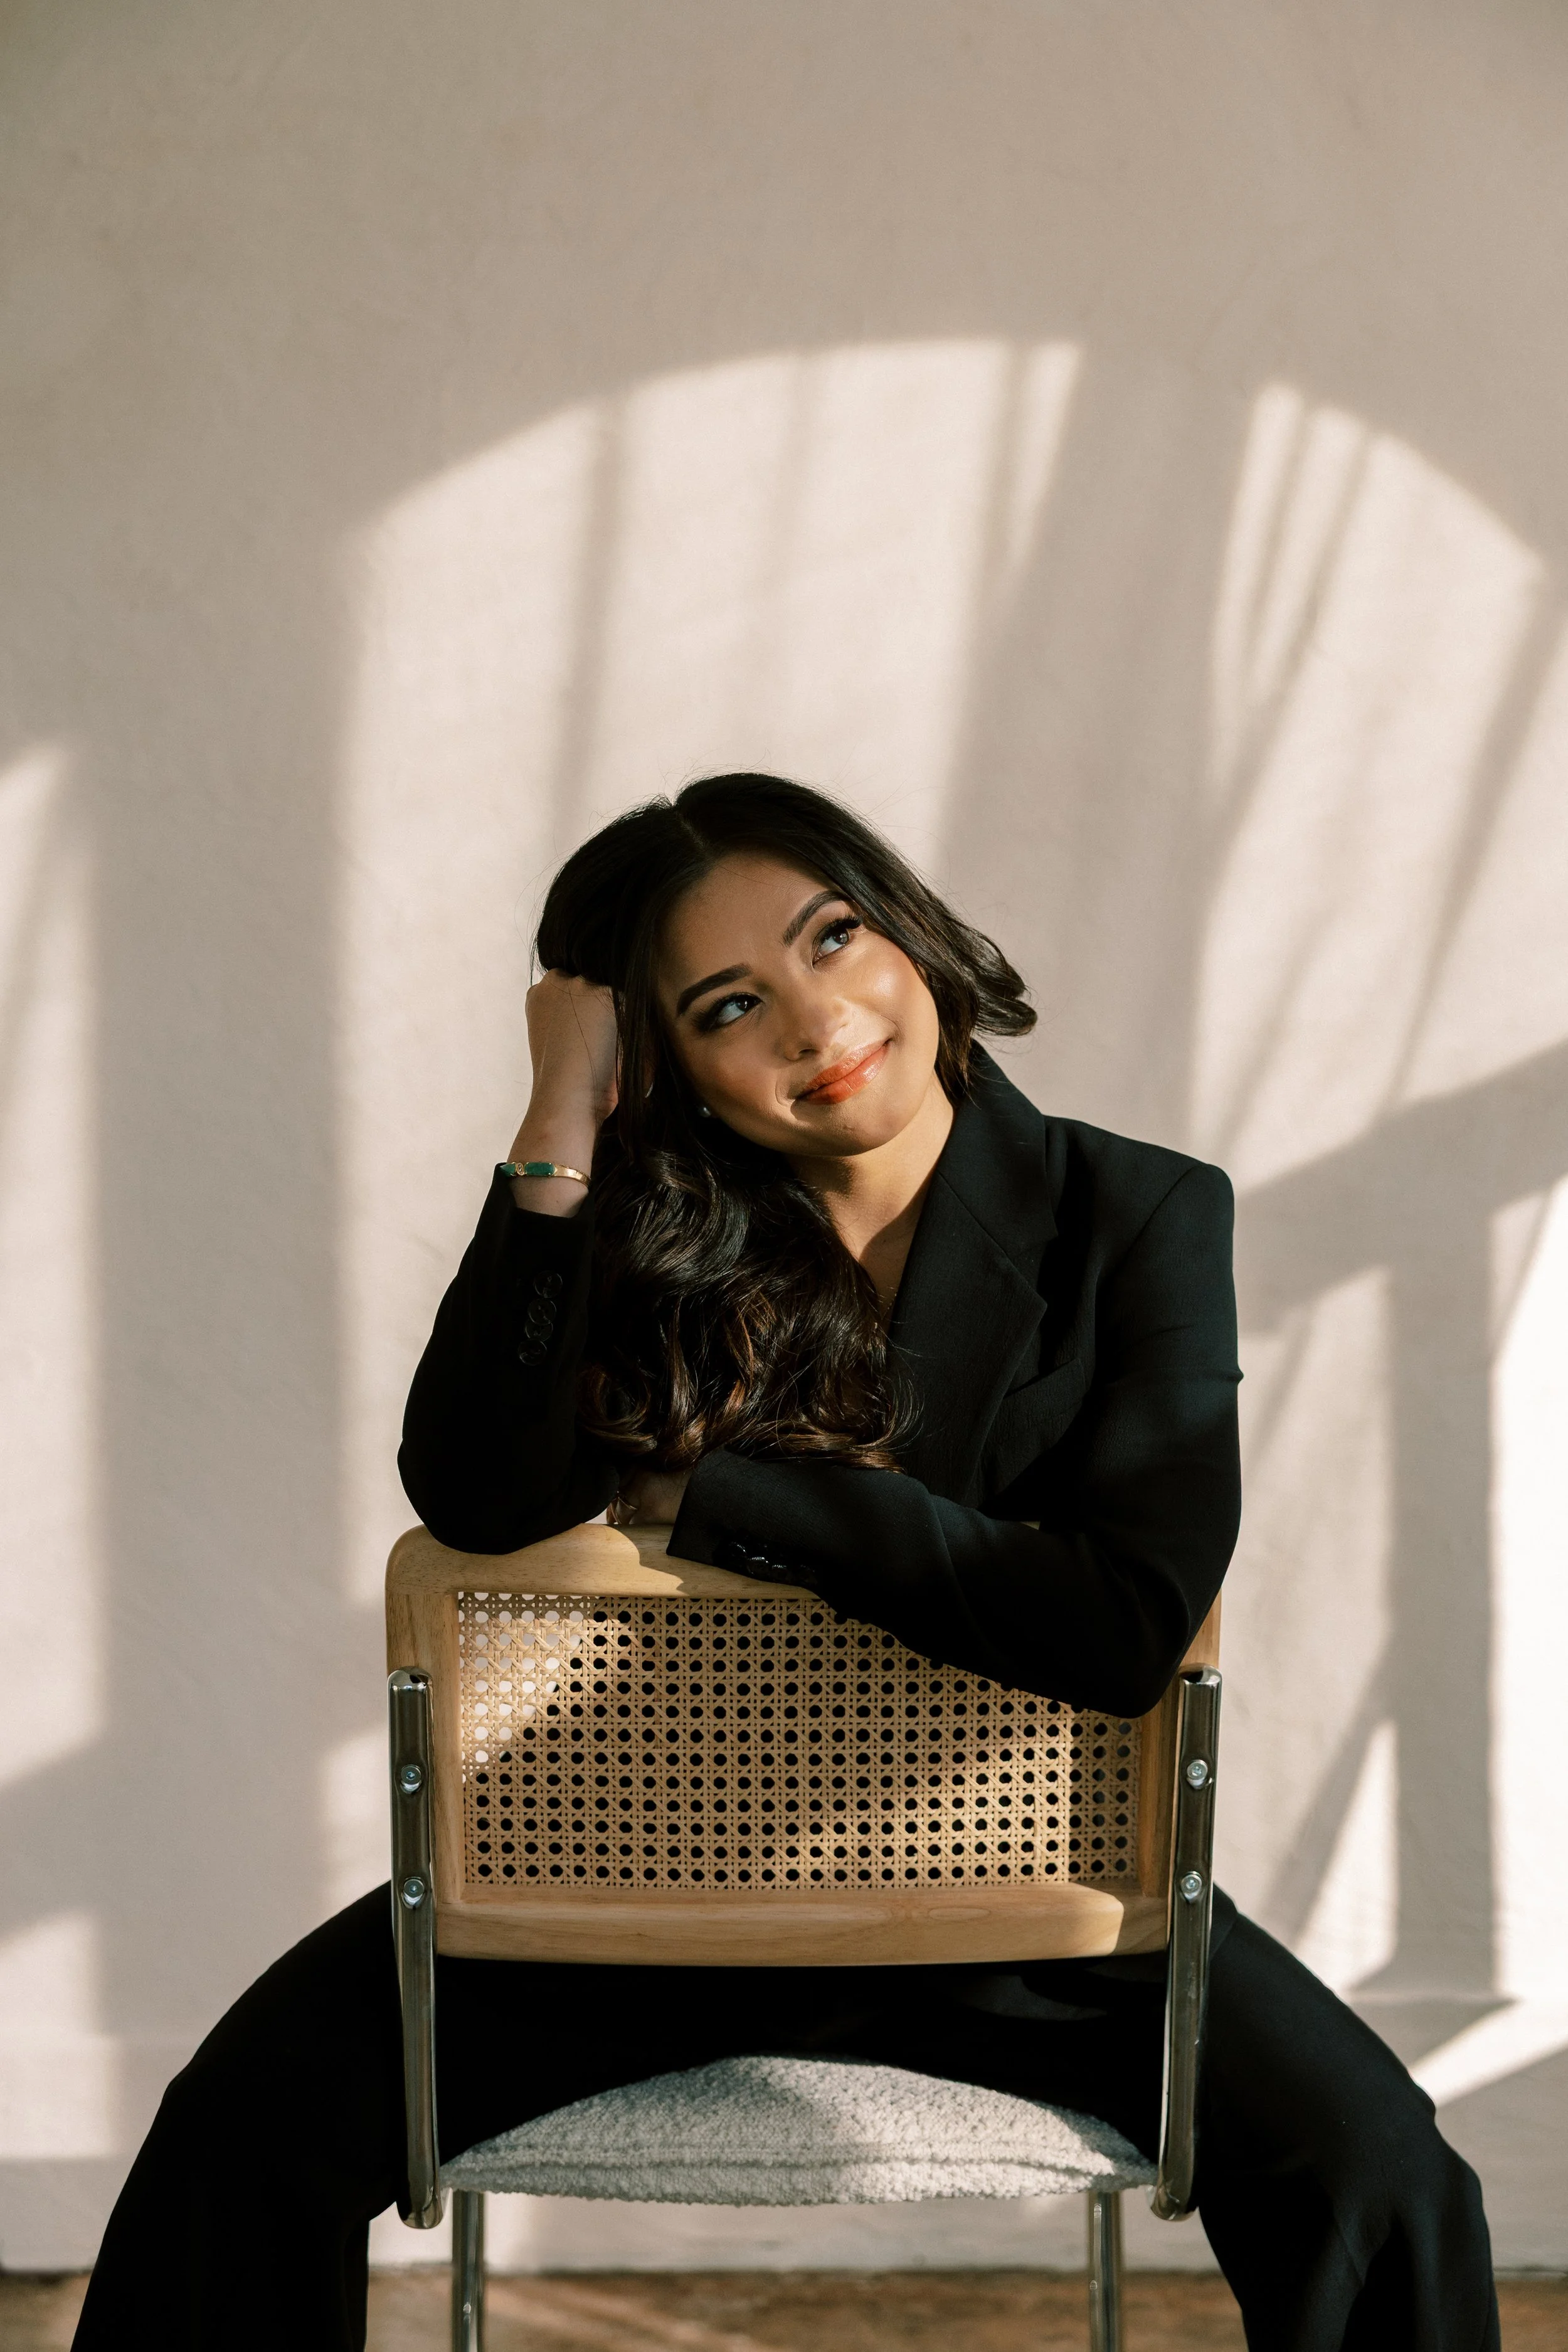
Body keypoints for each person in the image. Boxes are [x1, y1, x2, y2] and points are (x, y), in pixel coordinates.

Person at [75, 775, 1497, 2351]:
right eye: (729, 1003)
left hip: (1034, 1916)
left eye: (835, 936)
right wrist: (556, 1124)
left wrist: (736, 1494)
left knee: (1382, 2177)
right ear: (667, 1060)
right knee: (232, 2139)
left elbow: (1124, 1622)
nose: (818, 1021)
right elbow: (476, 1499)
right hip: (632, 1898)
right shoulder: (649, 1230)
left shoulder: (1139, 1212)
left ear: (906, 927)